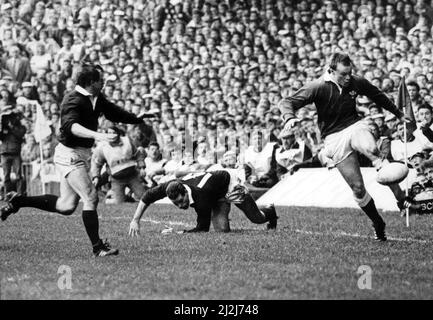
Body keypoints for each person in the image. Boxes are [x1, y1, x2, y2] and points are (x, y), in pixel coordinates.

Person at [1, 63, 152, 257]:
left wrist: (138, 118)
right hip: (69, 153)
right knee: (90, 197)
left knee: (66, 206)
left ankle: (19, 201)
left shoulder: (95, 98)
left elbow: (114, 112)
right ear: (91, 83)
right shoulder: (72, 99)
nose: (103, 82)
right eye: (100, 80)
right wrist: (100, 136)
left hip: (80, 153)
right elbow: (71, 127)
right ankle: (98, 248)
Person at [279, 52, 409, 241]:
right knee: (357, 188)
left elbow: (377, 95)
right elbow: (287, 102)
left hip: (354, 125)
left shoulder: (356, 81)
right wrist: (289, 117)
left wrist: (398, 114)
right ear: (331, 71)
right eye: (343, 74)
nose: (348, 77)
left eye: (350, 73)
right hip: (333, 138)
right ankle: (378, 222)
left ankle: (401, 198)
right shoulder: (318, 87)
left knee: (371, 149)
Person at [128, 170, 278, 236]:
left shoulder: (201, 197)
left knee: (256, 218)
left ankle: (270, 211)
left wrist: (179, 233)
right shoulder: (169, 186)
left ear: (186, 192)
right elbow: (147, 197)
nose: (181, 206)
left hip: (229, 185)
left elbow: (202, 228)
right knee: (222, 230)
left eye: (182, 201)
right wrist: (135, 220)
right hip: (213, 191)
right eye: (176, 204)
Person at [91, 124, 146, 204]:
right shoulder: (102, 148)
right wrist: (96, 177)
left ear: (118, 133)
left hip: (132, 175)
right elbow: (97, 164)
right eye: (109, 133)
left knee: (143, 197)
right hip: (117, 179)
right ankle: (109, 201)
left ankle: (131, 200)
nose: (112, 135)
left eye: (114, 133)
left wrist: (142, 168)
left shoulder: (127, 141)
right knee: (119, 203)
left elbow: (138, 154)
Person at [0, 105, 26, 196]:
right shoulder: (3, 127)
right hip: (4, 153)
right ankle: (8, 195)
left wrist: (11, 127)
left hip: (15, 153)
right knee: (6, 176)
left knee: (18, 175)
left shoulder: (21, 127)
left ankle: (19, 195)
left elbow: (20, 134)